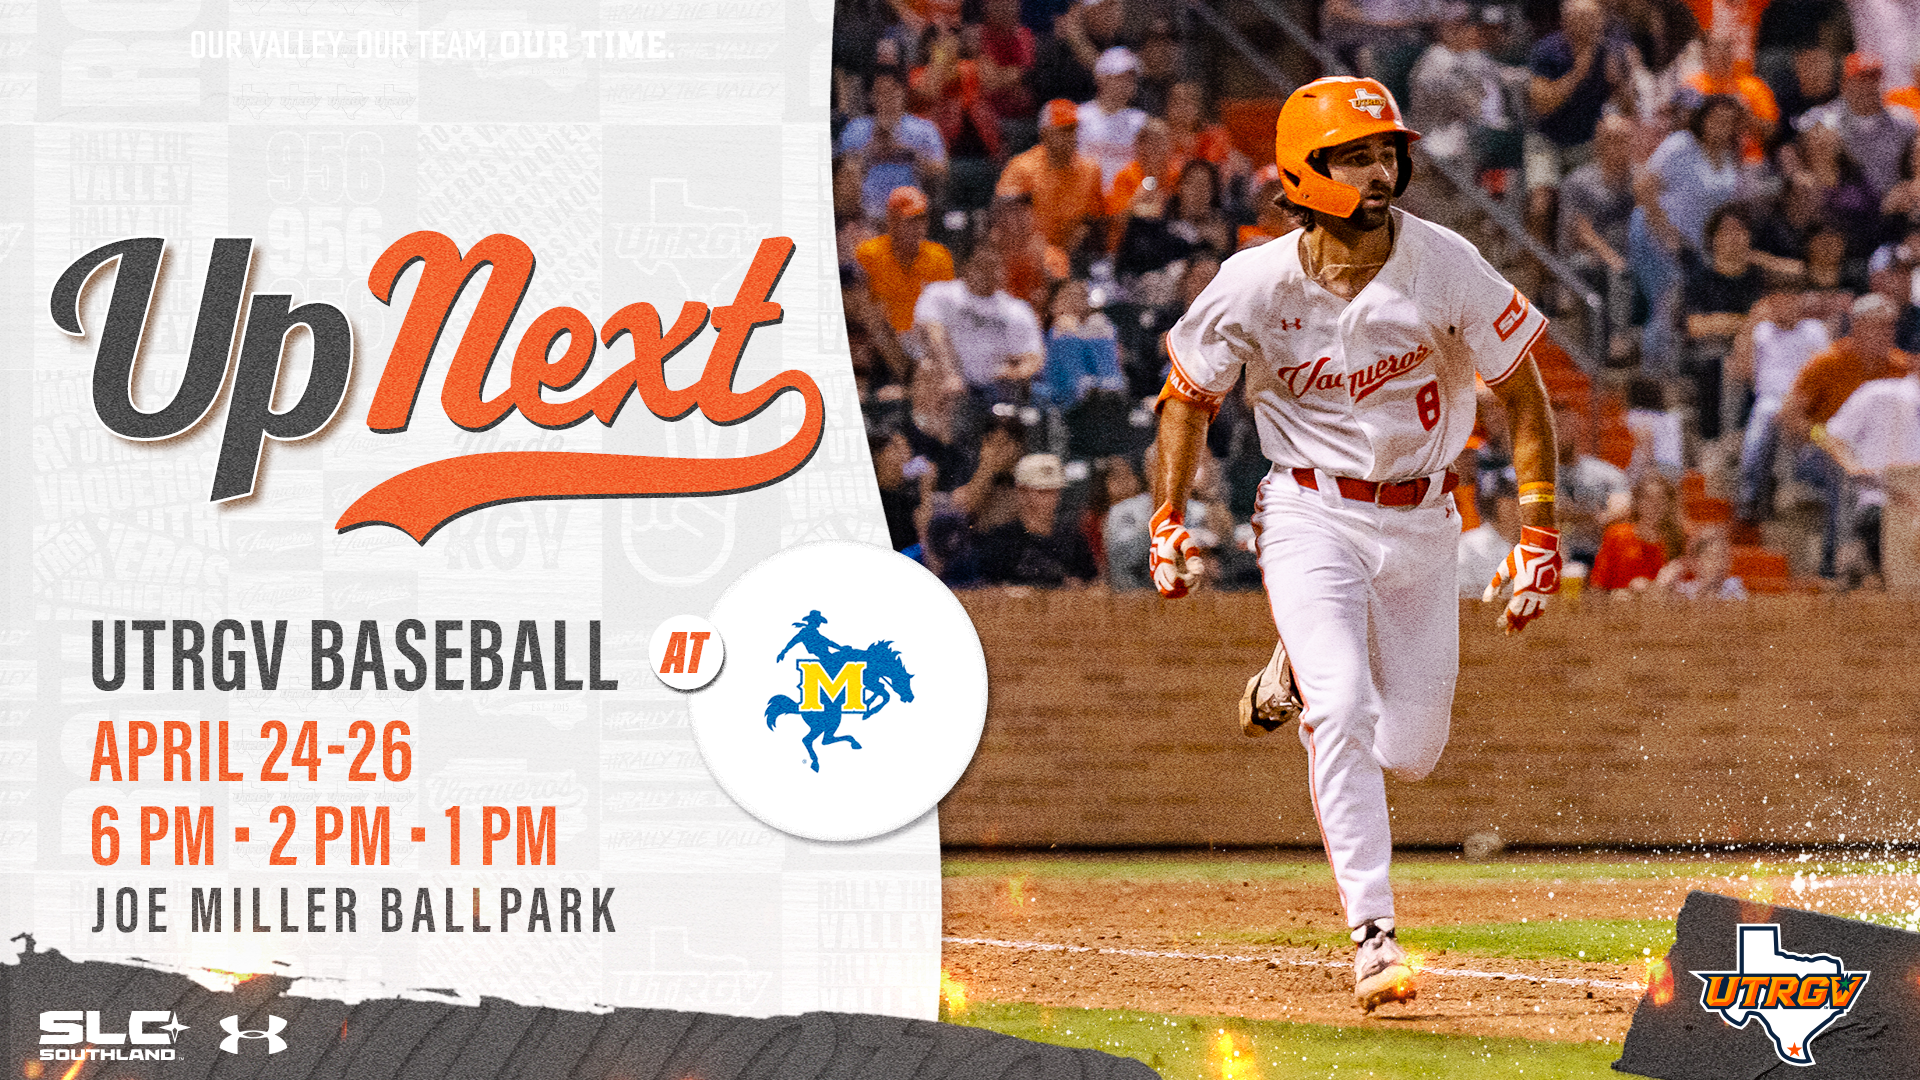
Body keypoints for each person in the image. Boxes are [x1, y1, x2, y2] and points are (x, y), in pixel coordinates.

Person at [1150, 77, 1558, 1012]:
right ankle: (1373, 935)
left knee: (1411, 749)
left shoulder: (1445, 262)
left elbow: (1524, 395)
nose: (1380, 171)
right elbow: (1186, 396)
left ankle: (1293, 665)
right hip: (1307, 508)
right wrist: (1169, 514)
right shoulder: (1254, 280)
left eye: (1386, 153)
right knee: (1338, 707)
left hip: (1422, 519)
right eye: (1354, 156)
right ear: (1303, 172)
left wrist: (1539, 531)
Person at [1780, 292, 1908, 576]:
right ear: (1858, 327)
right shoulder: (1827, 363)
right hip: (1821, 453)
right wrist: (1820, 436)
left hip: (1883, 458)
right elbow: (1789, 415)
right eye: (1878, 326)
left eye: (1890, 326)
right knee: (1847, 477)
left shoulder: (1900, 368)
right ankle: (1835, 570)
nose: (1886, 333)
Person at [1630, 94, 1746, 374]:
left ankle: (1673, 370)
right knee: (1668, 298)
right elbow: (1644, 186)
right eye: (1717, 119)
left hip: (1695, 247)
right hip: (1655, 234)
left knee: (1685, 305)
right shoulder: (1681, 145)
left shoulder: (1731, 156)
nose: (1723, 126)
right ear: (1703, 120)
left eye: (1729, 121)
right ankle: (1653, 375)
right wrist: (1665, 232)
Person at [911, 244, 1046, 409]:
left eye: (993, 266)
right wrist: (950, 374)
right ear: (966, 266)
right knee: (929, 370)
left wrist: (1012, 372)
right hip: (948, 380)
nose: (986, 272)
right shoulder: (940, 294)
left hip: (995, 387)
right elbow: (932, 333)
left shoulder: (1017, 310)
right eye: (980, 265)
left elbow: (1033, 357)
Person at [836, 66, 949, 222]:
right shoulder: (857, 128)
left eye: (891, 92)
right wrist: (870, 149)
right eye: (879, 93)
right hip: (865, 216)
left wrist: (908, 152)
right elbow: (840, 176)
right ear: (872, 97)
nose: (885, 99)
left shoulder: (923, 130)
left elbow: (941, 172)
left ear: (903, 93)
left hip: (909, 215)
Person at [996, 98, 1106, 255]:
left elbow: (1095, 221)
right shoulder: (1022, 168)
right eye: (1063, 131)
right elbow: (1007, 221)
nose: (1071, 137)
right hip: (1028, 254)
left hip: (1071, 255)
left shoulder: (1090, 170)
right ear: (1045, 134)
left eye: (1074, 129)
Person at [976, 453, 1099, 586]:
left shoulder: (1072, 539)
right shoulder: (1000, 539)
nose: (1050, 500)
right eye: (1042, 492)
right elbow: (985, 590)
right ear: (1021, 492)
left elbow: (1093, 583)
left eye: (1054, 492)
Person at [853, 186, 956, 334]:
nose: (918, 227)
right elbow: (863, 310)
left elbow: (947, 310)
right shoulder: (869, 254)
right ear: (892, 221)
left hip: (926, 340)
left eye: (922, 218)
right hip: (883, 340)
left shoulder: (940, 256)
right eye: (911, 220)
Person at [1589, 472, 1684, 589]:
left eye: (1661, 499)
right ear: (1637, 502)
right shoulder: (1616, 534)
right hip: (1618, 603)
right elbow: (1597, 583)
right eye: (1648, 499)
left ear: (1668, 504)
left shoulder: (1676, 539)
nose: (1654, 505)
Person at [1076, 46, 1148, 189]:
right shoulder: (1079, 116)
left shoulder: (1141, 123)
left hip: (1125, 202)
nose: (1127, 84)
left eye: (1131, 79)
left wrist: (1147, 189)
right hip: (1087, 201)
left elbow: (1150, 173)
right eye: (1120, 77)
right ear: (1102, 78)